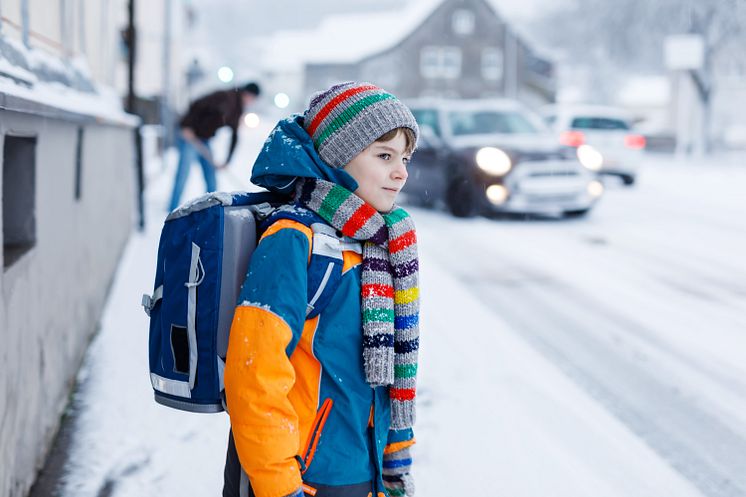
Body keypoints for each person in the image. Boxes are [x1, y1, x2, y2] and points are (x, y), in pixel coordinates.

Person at [223, 82, 421, 497]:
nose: (401, 172)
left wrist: (395, 459)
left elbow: (386, 378)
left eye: (404, 158)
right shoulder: (294, 241)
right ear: (337, 156)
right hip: (308, 477)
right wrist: (280, 486)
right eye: (384, 156)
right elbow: (254, 376)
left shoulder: (380, 245)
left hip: (365, 467)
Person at [167, 82, 261, 211]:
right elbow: (197, 104)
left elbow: (234, 136)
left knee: (211, 177)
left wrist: (226, 161)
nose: (251, 102)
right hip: (190, 137)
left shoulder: (238, 109)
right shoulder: (223, 97)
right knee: (183, 175)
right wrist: (186, 125)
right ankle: (172, 208)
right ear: (247, 94)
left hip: (205, 140)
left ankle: (212, 209)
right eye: (252, 98)